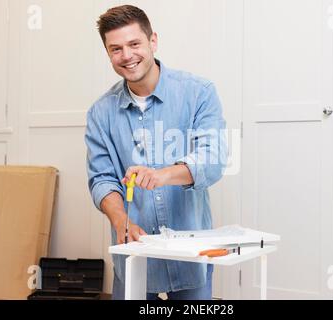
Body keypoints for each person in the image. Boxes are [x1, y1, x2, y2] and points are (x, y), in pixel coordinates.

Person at [85, 5, 227, 300]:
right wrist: (120, 220)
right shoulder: (100, 113)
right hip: (133, 255)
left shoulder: (199, 92)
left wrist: (162, 175)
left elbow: (212, 160)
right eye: (115, 49)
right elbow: (102, 179)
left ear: (153, 41)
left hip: (190, 254)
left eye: (134, 44)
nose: (127, 55)